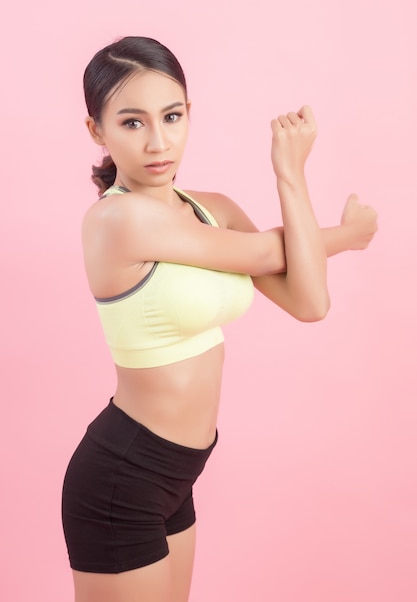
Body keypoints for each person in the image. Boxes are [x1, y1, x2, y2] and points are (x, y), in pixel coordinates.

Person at [62, 36, 377, 602]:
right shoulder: (117, 221)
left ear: (188, 115)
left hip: (176, 473)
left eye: (172, 116)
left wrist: (301, 196)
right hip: (123, 474)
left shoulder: (212, 210)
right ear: (97, 132)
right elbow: (269, 253)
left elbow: (308, 301)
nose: (159, 142)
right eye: (132, 123)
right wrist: (326, 212)